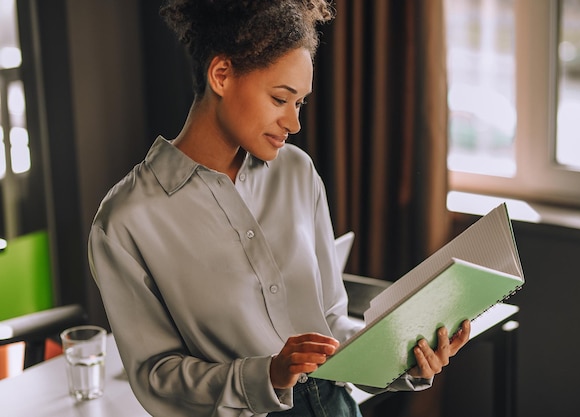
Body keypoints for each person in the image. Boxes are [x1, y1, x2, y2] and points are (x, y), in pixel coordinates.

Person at [88, 1, 471, 416]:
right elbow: (155, 377)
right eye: (279, 99)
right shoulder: (126, 221)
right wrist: (266, 375)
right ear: (221, 75)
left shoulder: (297, 172)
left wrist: (402, 357)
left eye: (300, 104)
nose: (294, 123)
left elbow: (330, 323)